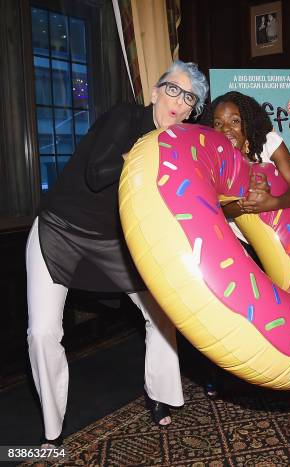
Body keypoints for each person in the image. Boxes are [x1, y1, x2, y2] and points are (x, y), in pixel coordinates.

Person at [27, 60, 209, 446]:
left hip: (115, 241)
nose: (178, 102)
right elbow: (97, 173)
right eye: (173, 90)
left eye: (189, 98)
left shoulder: (176, 147)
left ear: (191, 111)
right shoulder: (125, 117)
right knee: (43, 332)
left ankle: (160, 395)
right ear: (156, 92)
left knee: (162, 312)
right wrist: (142, 155)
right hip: (61, 228)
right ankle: (51, 429)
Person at [201, 91, 290, 395]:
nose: (227, 130)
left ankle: (273, 366)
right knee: (229, 305)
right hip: (232, 237)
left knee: (273, 307)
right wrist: (245, 205)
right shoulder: (209, 152)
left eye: (235, 121)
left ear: (247, 122)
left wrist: (271, 202)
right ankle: (219, 372)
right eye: (219, 124)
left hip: (273, 238)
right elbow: (213, 208)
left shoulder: (269, 140)